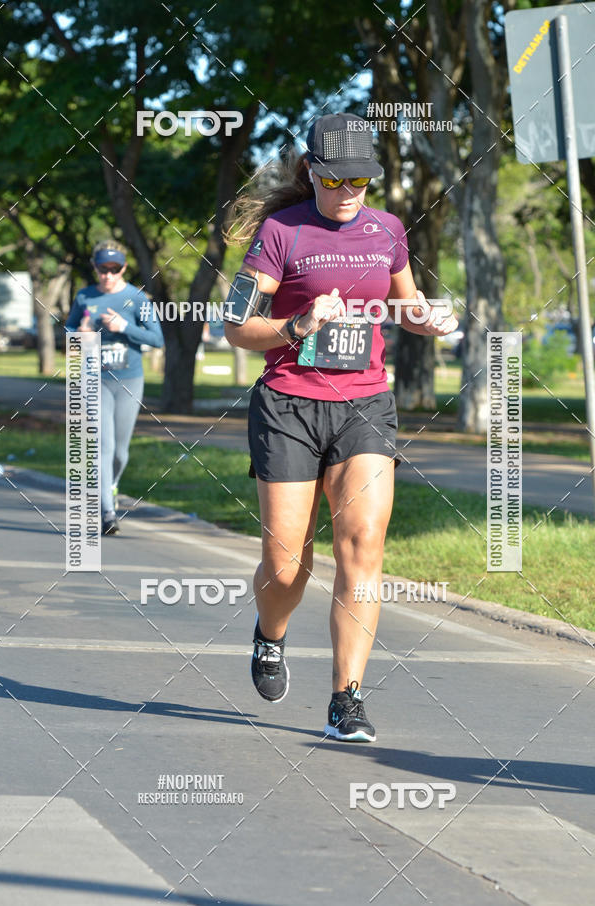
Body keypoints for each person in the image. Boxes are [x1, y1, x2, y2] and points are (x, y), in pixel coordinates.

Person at [224, 112, 458, 743]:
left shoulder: (387, 231)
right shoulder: (281, 232)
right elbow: (235, 326)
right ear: (314, 172)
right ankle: (270, 635)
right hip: (290, 405)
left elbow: (404, 305)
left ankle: (345, 698)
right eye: (339, 179)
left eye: (364, 180)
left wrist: (426, 318)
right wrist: (298, 327)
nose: (352, 190)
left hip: (365, 404)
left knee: (363, 544)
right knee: (285, 564)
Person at [66, 240, 164, 535]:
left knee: (120, 452)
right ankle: (107, 512)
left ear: (123, 268)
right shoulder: (84, 296)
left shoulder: (137, 299)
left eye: (114, 269)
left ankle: (110, 484)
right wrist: (78, 333)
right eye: (102, 269)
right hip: (94, 379)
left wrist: (124, 327)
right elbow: (69, 330)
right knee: (103, 447)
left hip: (130, 380)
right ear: (94, 268)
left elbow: (157, 339)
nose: (107, 275)